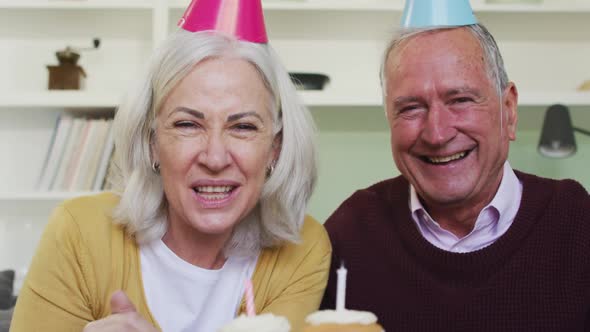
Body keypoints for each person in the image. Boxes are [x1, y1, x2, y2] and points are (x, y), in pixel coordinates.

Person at [10, 0, 330, 331]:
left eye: (243, 127)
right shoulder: (79, 232)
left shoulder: (302, 249)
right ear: (151, 143)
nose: (215, 158)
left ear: (275, 148)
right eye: (187, 125)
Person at [321, 0, 590, 331]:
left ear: (509, 110)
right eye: (410, 108)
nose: (437, 133)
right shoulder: (350, 234)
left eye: (460, 100)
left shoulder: (578, 225)